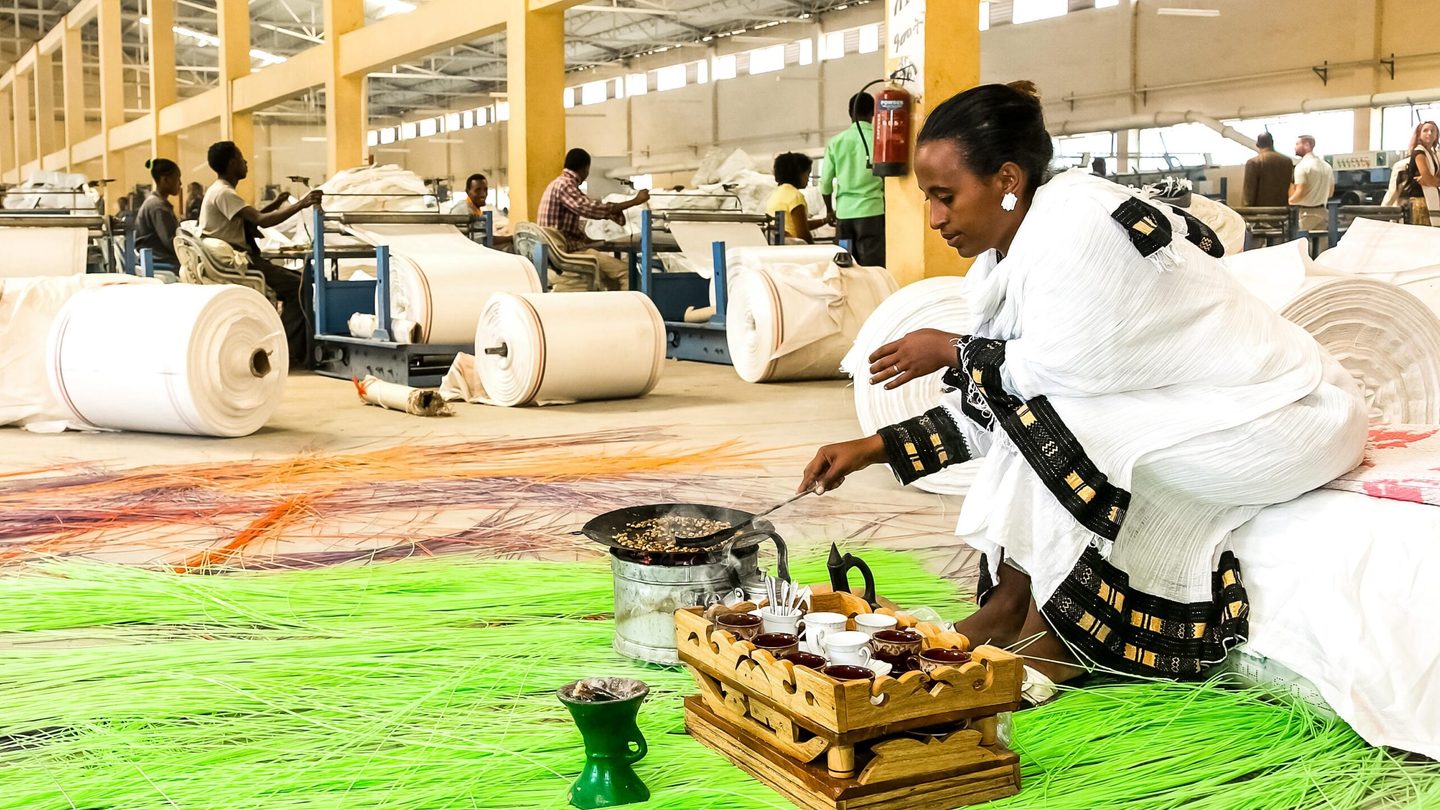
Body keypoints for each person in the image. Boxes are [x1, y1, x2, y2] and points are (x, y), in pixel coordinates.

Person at [798, 82, 1365, 689]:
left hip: (1287, 416)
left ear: (1007, 179)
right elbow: (1003, 401)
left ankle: (1053, 635)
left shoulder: (1076, 229)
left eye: (945, 197)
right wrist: (870, 448)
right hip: (1216, 403)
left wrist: (952, 349)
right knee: (1042, 413)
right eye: (928, 200)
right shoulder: (1009, 257)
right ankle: (1009, 606)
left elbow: (1058, 374)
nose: (935, 218)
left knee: (1064, 421)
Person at [200, 140, 322, 365]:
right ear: (230, 163)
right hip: (241, 261)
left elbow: (249, 216)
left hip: (237, 258)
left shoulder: (219, 191)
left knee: (299, 279)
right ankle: (290, 351)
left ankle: (290, 343)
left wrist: (276, 204)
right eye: (240, 158)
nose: (245, 162)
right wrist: (302, 204)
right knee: (300, 285)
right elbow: (261, 221)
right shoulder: (224, 192)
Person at [537, 148, 649, 292]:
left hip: (556, 252)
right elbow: (591, 209)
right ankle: (626, 311)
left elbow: (564, 226)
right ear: (586, 169)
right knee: (627, 272)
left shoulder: (556, 184)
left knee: (608, 275)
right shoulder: (565, 185)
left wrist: (586, 239)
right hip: (566, 255)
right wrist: (635, 201)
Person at [821, 92, 886, 267]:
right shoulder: (880, 141)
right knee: (872, 266)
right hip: (872, 215)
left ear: (850, 112)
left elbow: (825, 182)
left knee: (845, 262)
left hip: (845, 218)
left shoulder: (836, 142)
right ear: (873, 113)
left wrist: (829, 210)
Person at [766, 152, 825, 243]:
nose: (808, 179)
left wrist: (824, 220)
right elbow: (803, 234)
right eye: (807, 174)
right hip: (795, 249)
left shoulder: (775, 195)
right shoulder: (795, 196)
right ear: (797, 174)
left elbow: (799, 224)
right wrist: (815, 249)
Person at [134, 158, 182, 268]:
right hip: (160, 261)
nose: (180, 183)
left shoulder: (154, 202)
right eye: (177, 178)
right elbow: (172, 242)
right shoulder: (158, 207)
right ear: (165, 180)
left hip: (157, 258)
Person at [1289, 134, 1335, 244]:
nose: (1295, 147)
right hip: (1323, 213)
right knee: (1320, 249)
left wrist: (1289, 201)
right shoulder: (1327, 166)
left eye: (1297, 144)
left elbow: (1300, 192)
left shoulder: (1302, 166)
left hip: (1305, 215)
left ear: (1307, 145)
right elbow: (1330, 192)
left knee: (1304, 249)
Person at [1401, 121, 1440, 226]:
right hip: (1419, 201)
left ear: (1437, 135)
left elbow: (1433, 178)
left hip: (1431, 199)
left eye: (1433, 131)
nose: (1429, 133)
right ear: (1419, 134)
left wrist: (1433, 181)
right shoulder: (1419, 152)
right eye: (1425, 130)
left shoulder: (1434, 154)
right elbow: (1429, 180)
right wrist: (1432, 180)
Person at [1242, 132, 1294, 207]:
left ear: (1257, 144)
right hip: (1283, 212)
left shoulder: (1254, 162)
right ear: (1272, 142)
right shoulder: (1287, 161)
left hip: (1260, 213)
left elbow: (1249, 193)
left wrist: (1246, 211)